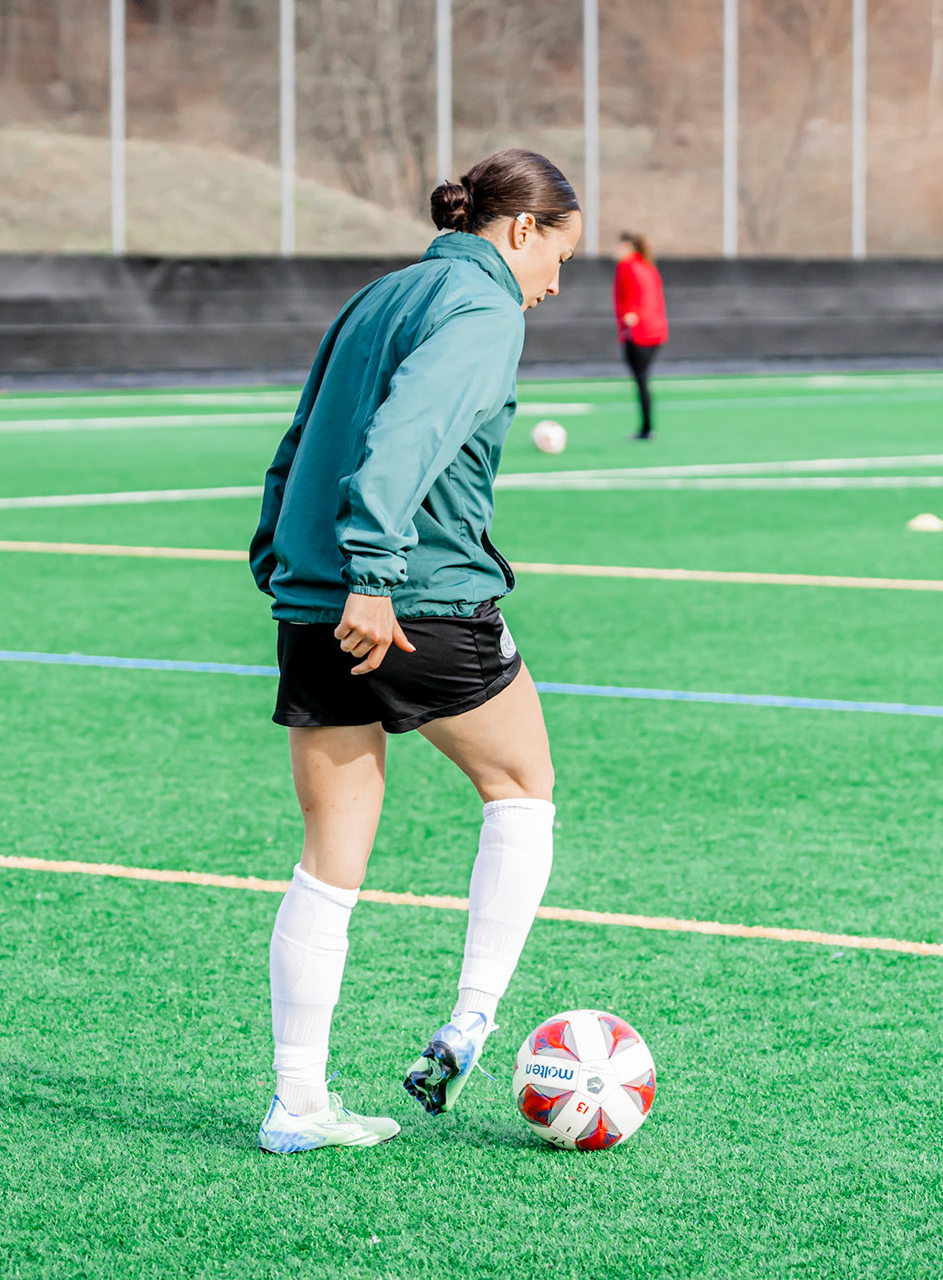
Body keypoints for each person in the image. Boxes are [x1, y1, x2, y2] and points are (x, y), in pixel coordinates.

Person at [247, 148, 583, 1154]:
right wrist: (374, 574)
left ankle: (298, 1100)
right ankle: (472, 1016)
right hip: (409, 599)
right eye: (559, 255)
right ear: (519, 229)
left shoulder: (379, 295)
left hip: (316, 598)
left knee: (330, 857)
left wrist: (287, 563)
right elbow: (400, 441)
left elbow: (301, 439)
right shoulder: (484, 309)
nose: (558, 282)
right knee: (523, 786)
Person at [613, 231, 668, 439]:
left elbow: (633, 297)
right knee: (643, 379)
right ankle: (646, 426)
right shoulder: (648, 266)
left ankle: (646, 428)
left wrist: (631, 315)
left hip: (639, 333)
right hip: (656, 332)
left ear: (627, 246)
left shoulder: (627, 266)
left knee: (641, 380)